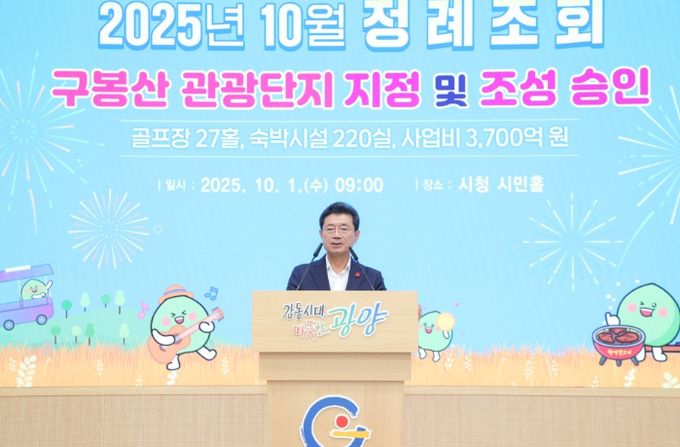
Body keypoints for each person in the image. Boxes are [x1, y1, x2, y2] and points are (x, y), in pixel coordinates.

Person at [287, 202, 386, 291]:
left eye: (344, 229)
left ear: (356, 235)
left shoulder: (372, 278)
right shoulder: (301, 275)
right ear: (321, 235)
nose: (336, 235)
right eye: (330, 229)